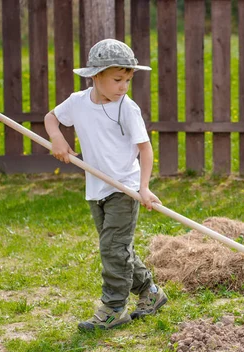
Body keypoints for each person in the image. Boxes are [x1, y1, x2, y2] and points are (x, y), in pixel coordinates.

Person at [44, 38, 167, 331]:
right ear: (95, 76)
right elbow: (51, 118)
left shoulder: (127, 108)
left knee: (113, 249)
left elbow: (145, 149)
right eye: (117, 79)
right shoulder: (77, 102)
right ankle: (151, 293)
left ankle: (114, 308)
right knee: (117, 247)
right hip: (95, 188)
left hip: (123, 188)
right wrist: (58, 138)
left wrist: (144, 187)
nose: (123, 86)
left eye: (127, 79)